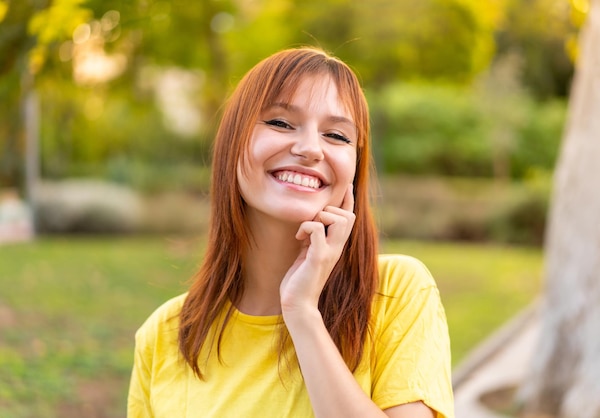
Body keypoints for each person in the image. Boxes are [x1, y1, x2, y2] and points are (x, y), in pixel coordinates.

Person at [128, 47, 454, 418]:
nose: (310, 149)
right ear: (232, 144)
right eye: (281, 123)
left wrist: (302, 312)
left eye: (336, 135)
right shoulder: (166, 334)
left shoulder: (397, 291)